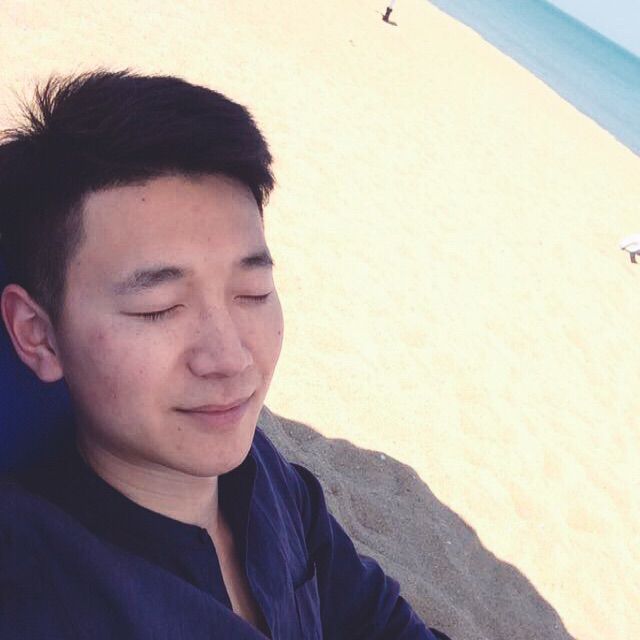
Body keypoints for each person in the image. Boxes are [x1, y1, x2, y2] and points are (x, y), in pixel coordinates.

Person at [0, 71, 450, 639]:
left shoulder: (266, 477)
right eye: (160, 307)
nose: (232, 358)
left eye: (253, 293)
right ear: (38, 335)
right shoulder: (36, 595)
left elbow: (375, 619)